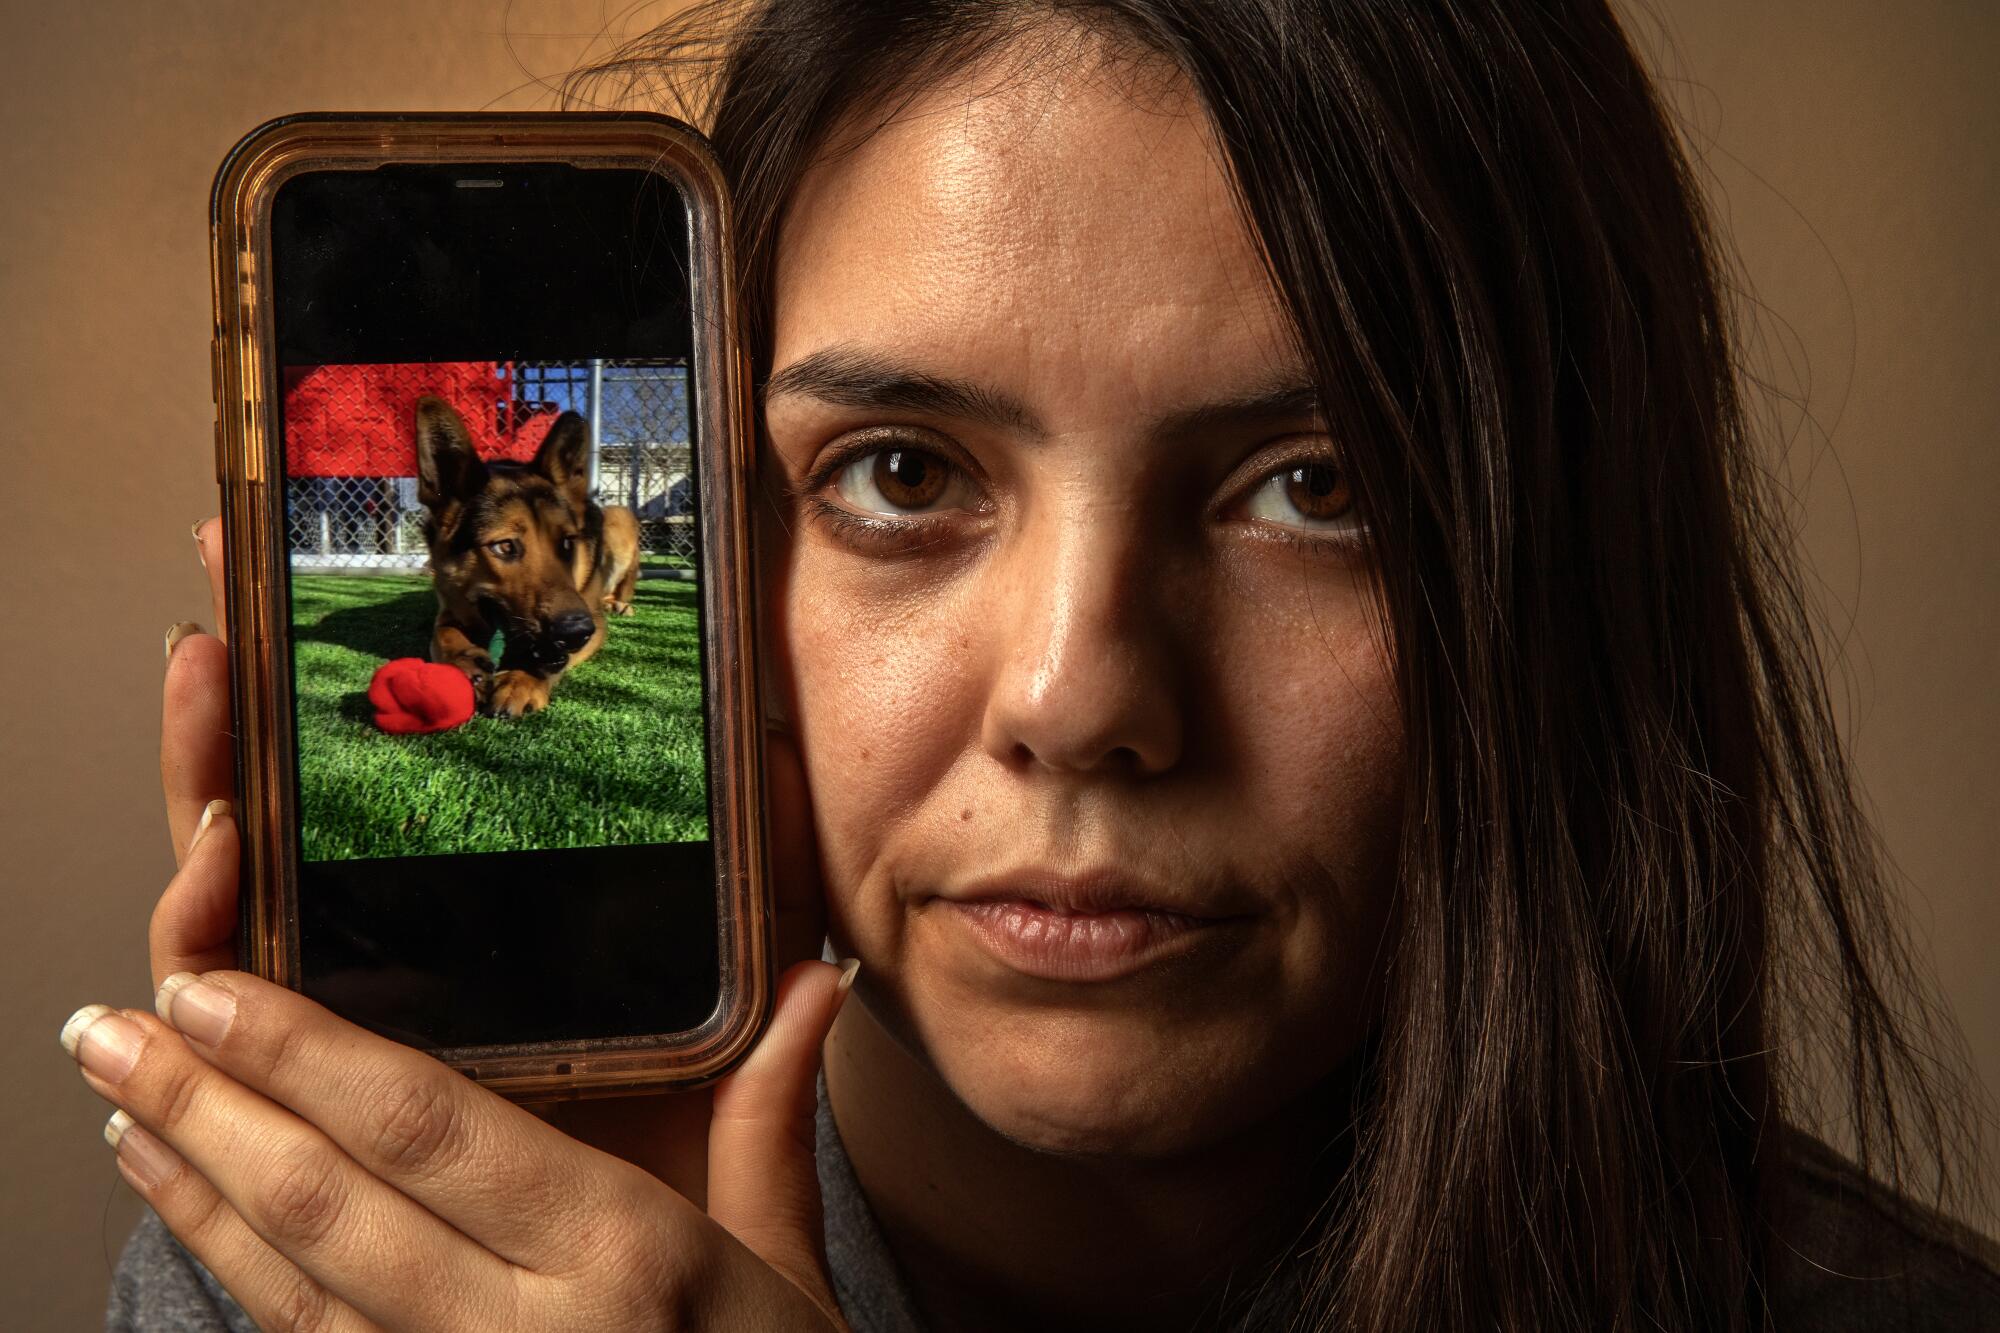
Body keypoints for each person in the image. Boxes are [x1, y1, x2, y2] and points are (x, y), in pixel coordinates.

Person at [68, 1, 1998, 1328]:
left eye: (1315, 488)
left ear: (1555, 577)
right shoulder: (363, 1279)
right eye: (901, 475)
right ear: (738, 541)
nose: (1079, 696)